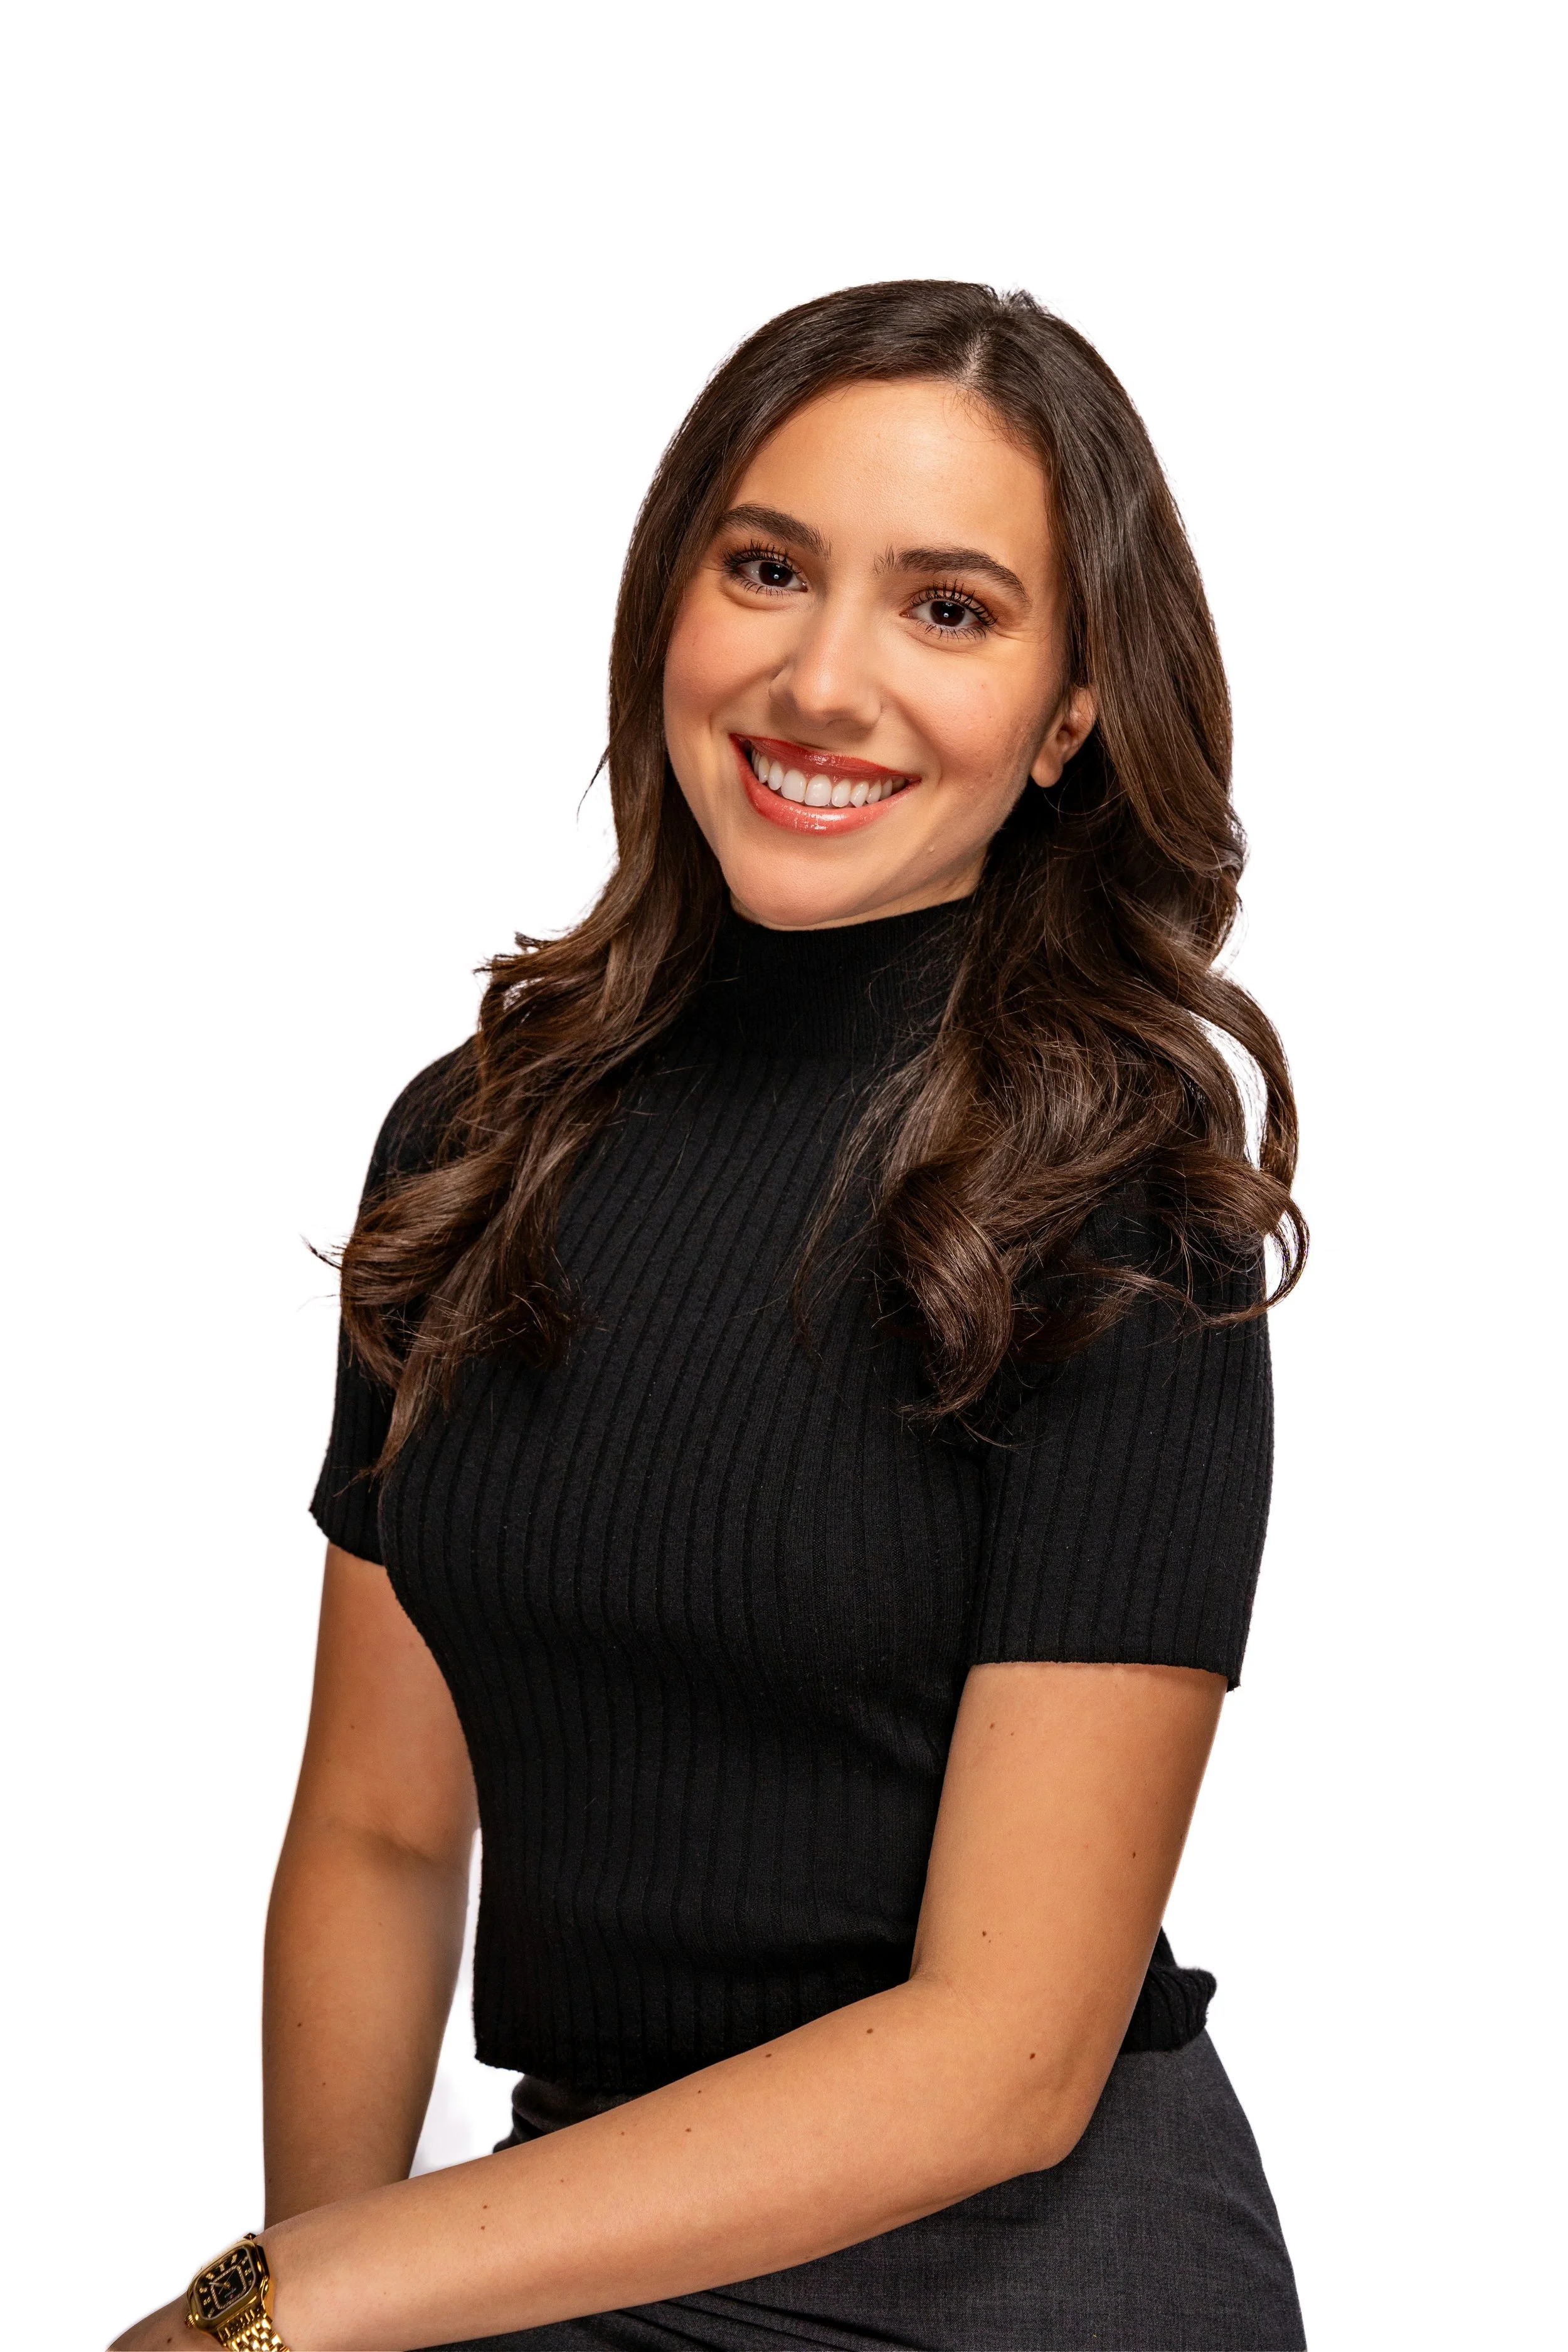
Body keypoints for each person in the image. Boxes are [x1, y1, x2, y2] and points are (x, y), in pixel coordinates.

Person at [113, 280, 1308, 2352]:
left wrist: (281, 2302)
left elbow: (1002, 2056)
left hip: (1012, 2272)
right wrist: (316, 2307)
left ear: (1069, 715)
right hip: (592, 2229)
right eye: (768, 568)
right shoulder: (475, 1138)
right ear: (672, 591)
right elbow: (388, 1831)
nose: (822, 678)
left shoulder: (1116, 1193)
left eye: (948, 609)